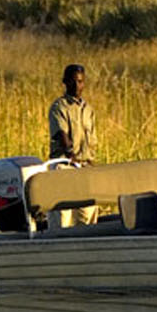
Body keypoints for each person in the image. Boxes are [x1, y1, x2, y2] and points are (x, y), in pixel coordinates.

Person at [47, 63, 98, 227]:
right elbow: (62, 136)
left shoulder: (88, 109)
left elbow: (92, 141)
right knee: (63, 216)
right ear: (65, 82)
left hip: (84, 166)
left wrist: (90, 163)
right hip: (65, 165)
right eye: (73, 81)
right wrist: (72, 156)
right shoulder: (59, 107)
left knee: (88, 215)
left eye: (81, 82)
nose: (77, 86)